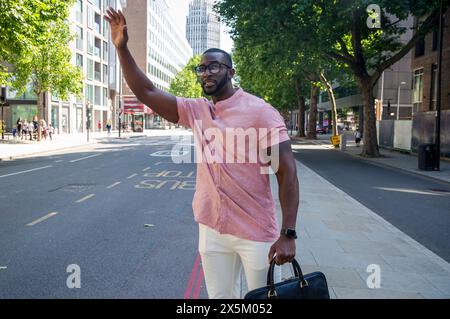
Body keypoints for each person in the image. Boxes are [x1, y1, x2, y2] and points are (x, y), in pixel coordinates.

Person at [105, 8, 299, 299]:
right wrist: (122, 49)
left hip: (257, 233)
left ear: (231, 72)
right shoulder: (197, 111)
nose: (206, 72)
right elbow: (147, 92)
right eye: (202, 68)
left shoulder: (260, 112)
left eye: (215, 66)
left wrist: (288, 234)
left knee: (266, 301)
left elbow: (287, 174)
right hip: (213, 230)